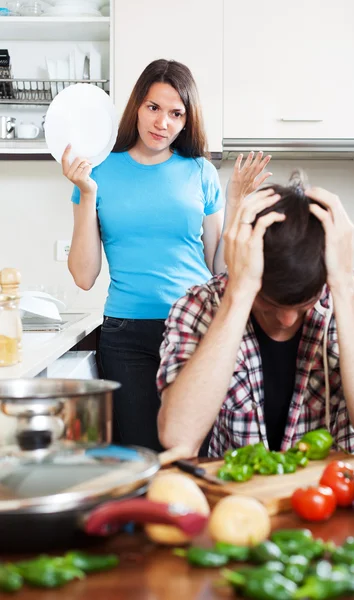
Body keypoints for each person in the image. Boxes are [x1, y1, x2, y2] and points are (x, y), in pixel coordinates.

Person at [62, 59, 271, 451]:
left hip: (195, 327)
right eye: (154, 108)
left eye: (176, 114)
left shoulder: (200, 171)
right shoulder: (98, 172)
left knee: (194, 452)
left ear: (187, 121)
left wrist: (236, 203)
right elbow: (84, 276)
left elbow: (219, 267)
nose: (163, 123)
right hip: (126, 336)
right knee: (144, 455)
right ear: (137, 107)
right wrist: (87, 193)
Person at [156, 166, 354, 458]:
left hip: (342, 498)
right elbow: (178, 437)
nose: (287, 320)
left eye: (304, 305)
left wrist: (343, 287)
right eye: (268, 303)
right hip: (237, 499)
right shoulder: (202, 304)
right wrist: (238, 295)